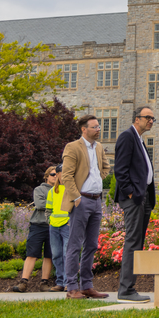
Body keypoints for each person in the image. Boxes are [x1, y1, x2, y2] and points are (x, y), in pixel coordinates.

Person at [60, 114, 111, 299]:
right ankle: (72, 287)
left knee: (92, 244)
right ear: (84, 129)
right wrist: (76, 196)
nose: (99, 129)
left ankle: (87, 285)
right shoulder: (73, 147)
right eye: (95, 127)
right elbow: (66, 175)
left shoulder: (98, 147)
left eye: (99, 126)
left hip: (97, 201)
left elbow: (106, 167)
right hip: (81, 201)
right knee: (74, 245)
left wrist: (97, 179)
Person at [113, 106, 158, 303]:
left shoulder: (140, 140)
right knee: (132, 241)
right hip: (134, 198)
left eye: (152, 119)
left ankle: (130, 288)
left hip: (144, 197)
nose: (150, 121)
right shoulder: (127, 137)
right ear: (136, 118)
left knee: (138, 242)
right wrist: (130, 192)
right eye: (148, 118)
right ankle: (126, 290)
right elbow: (120, 170)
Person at [11, 166, 57, 292]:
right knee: (32, 254)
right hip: (38, 225)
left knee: (49, 255)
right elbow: (40, 204)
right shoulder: (40, 189)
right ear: (47, 176)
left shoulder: (61, 189)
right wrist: (57, 204)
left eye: (57, 174)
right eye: (53, 174)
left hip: (53, 225)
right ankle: (23, 282)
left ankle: (44, 283)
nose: (55, 176)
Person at [45, 164, 70, 292]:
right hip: (54, 226)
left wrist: (71, 220)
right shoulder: (52, 191)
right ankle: (60, 282)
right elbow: (48, 209)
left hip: (67, 225)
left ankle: (68, 283)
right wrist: (49, 220)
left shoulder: (71, 189)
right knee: (56, 255)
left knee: (67, 254)